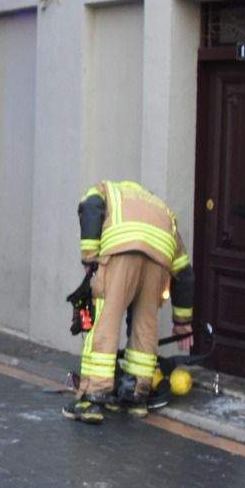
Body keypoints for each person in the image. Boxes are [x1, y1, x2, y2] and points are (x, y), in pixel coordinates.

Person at [65, 179, 195, 424]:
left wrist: (90, 257)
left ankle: (92, 398)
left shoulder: (104, 190)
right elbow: (185, 274)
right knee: (145, 325)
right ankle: (135, 397)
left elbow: (91, 207)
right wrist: (183, 322)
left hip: (121, 252)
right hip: (158, 262)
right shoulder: (163, 211)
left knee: (105, 319)